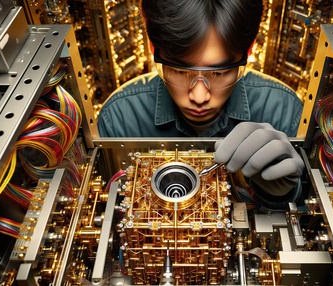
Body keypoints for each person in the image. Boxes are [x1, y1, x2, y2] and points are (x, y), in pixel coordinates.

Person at [98, 0, 304, 207]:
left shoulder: (284, 112)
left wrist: (283, 195)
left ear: (248, 52)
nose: (199, 97)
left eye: (218, 72)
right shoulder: (119, 118)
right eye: (180, 71)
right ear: (154, 48)